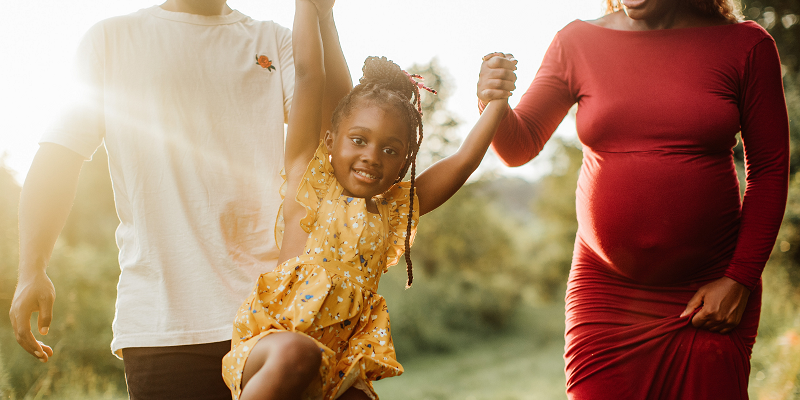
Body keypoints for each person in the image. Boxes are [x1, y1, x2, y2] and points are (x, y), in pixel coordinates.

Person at [9, 0, 351, 398]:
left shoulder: (274, 41)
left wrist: (323, 16)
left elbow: (340, 127)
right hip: (162, 324)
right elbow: (59, 156)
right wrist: (31, 268)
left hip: (275, 316)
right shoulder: (110, 40)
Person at [479, 0, 789, 398]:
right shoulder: (576, 42)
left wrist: (740, 279)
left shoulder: (746, 45)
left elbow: (770, 169)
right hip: (605, 294)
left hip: (707, 293)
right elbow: (518, 146)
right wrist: (494, 101)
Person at [220, 2, 515, 399]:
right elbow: (311, 76)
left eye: (391, 150)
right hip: (274, 349)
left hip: (337, 368)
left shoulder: (396, 209)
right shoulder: (310, 180)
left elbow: (462, 162)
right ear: (330, 141)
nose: (372, 156)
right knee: (297, 352)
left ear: (405, 161)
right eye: (358, 140)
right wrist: (312, 9)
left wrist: (496, 102)